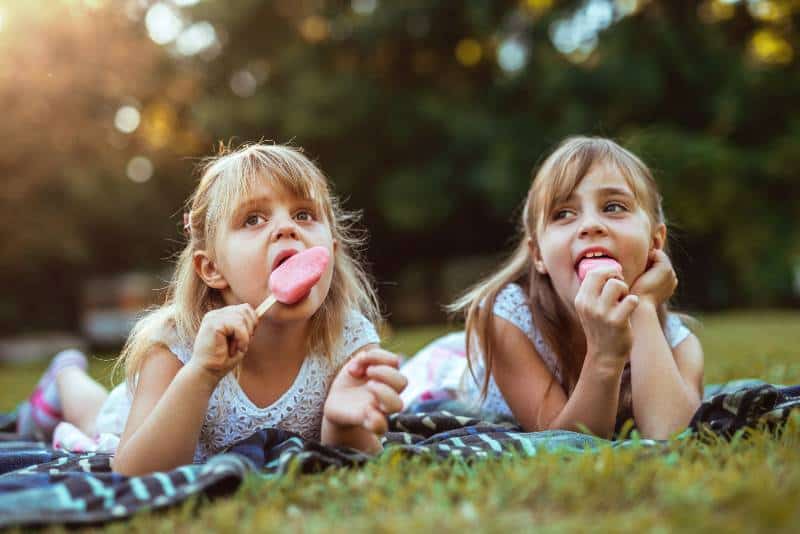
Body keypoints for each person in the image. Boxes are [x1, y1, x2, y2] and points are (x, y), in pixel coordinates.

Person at [17, 143, 407, 474]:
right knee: (92, 414)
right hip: (136, 421)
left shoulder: (349, 342)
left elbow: (352, 459)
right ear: (212, 268)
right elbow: (132, 471)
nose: (287, 228)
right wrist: (201, 375)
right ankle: (66, 376)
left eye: (304, 214)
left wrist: (342, 425)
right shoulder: (177, 346)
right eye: (253, 219)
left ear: (332, 251)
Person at [401, 136, 703, 440]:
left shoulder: (678, 344)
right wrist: (605, 353)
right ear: (538, 255)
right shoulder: (507, 321)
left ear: (655, 242)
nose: (590, 225)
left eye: (613, 207)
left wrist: (644, 308)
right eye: (564, 214)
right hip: (450, 375)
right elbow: (565, 441)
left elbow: (672, 435)